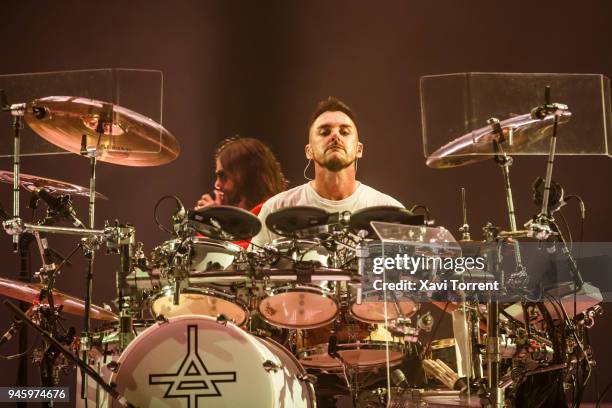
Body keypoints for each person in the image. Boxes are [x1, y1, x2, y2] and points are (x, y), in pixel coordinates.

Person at [250, 96, 404, 247]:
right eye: (324, 132)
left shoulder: (390, 213)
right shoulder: (276, 209)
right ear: (308, 151)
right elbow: (250, 270)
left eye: (344, 132)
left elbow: (415, 269)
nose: (335, 136)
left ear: (359, 149)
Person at [196, 136, 288, 216]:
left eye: (223, 176)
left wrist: (217, 219)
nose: (217, 184)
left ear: (247, 175)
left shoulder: (266, 212)